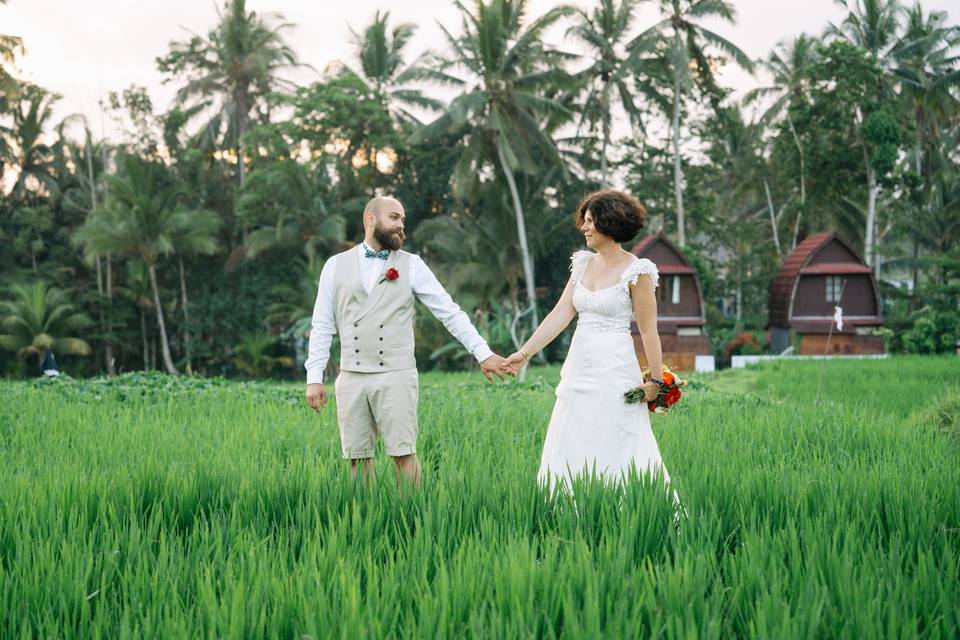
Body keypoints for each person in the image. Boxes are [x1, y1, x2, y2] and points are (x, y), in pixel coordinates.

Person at [305, 196, 508, 486]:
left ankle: (410, 521)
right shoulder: (334, 266)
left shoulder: (412, 264)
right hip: (351, 375)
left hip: (396, 374)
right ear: (371, 220)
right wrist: (314, 377)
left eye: (403, 220)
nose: (401, 225)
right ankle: (364, 524)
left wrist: (482, 353)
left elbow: (449, 312)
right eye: (394, 217)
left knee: (404, 455)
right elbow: (322, 325)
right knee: (356, 458)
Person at [502, 190, 678, 498]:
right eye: (584, 221)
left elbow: (649, 330)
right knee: (572, 433)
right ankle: (568, 504)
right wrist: (524, 352)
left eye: (590, 221)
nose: (584, 228)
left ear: (609, 223)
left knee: (619, 436)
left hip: (616, 368)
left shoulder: (638, 271)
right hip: (580, 368)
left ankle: (631, 505)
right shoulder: (582, 264)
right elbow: (560, 314)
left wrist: (655, 381)